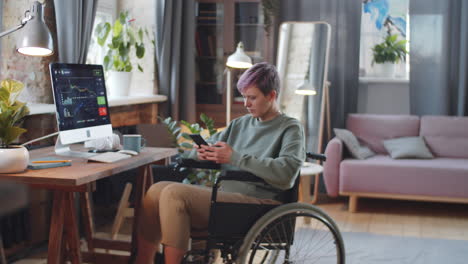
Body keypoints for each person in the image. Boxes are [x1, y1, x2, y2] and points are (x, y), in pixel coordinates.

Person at [135, 62, 305, 264]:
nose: (246, 104)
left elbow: (286, 176)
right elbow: (204, 149)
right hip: (226, 200)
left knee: (173, 194)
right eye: (244, 97)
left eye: (253, 97)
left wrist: (235, 157)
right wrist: (201, 153)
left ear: (271, 96)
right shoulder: (240, 124)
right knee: (156, 191)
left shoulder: (291, 128)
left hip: (259, 203)